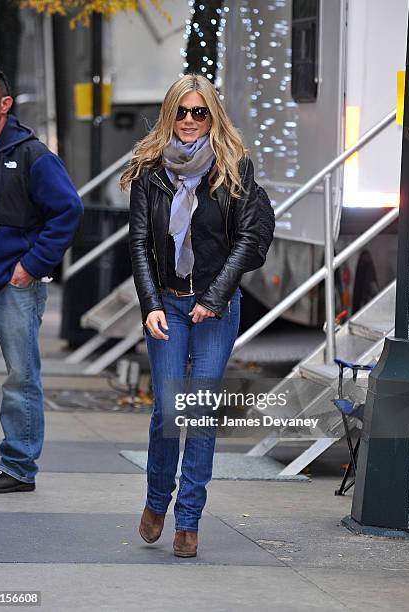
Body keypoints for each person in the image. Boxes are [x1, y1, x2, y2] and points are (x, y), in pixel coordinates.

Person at [121, 73, 274, 557]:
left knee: (200, 410)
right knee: (169, 410)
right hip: (167, 304)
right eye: (182, 112)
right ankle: (155, 500)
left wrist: (214, 296)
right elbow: (140, 245)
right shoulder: (150, 174)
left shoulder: (235, 169)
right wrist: (149, 305)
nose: (190, 121)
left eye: (199, 112)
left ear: (213, 116)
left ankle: (189, 518)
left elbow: (250, 240)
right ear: (170, 115)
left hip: (216, 307)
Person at [0, 64, 83, 493]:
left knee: (20, 378)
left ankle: (18, 469)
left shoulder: (33, 155)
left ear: (4, 104)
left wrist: (32, 266)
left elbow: (68, 211)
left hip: (15, 287)